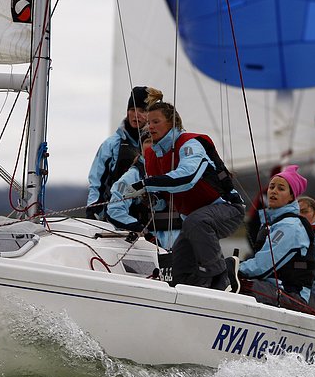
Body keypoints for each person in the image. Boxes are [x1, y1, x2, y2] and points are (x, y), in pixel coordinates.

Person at [125, 99, 244, 290]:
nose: (150, 126)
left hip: (226, 209)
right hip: (194, 219)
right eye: (148, 122)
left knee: (195, 222)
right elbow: (163, 200)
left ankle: (223, 276)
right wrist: (152, 198)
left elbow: (187, 177)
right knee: (179, 271)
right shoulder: (152, 156)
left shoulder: (191, 144)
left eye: (156, 121)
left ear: (172, 123)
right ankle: (198, 289)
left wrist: (147, 183)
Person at [232, 166, 315, 310]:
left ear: (291, 196)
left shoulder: (290, 227)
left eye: (281, 188)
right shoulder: (274, 223)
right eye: (271, 187)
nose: (273, 191)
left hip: (291, 295)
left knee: (229, 284)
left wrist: (233, 267)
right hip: (272, 288)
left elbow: (262, 266)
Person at [86, 86, 160, 220]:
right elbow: (97, 183)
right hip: (120, 217)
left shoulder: (163, 143)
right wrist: (93, 211)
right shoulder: (112, 144)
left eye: (142, 110)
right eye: (132, 110)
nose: (136, 115)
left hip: (155, 219)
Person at [106, 132, 181, 249]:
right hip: (151, 245)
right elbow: (115, 210)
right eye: (147, 141)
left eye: (156, 140)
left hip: (183, 242)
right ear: (140, 148)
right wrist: (145, 234)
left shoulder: (181, 171)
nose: (152, 144)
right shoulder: (132, 176)